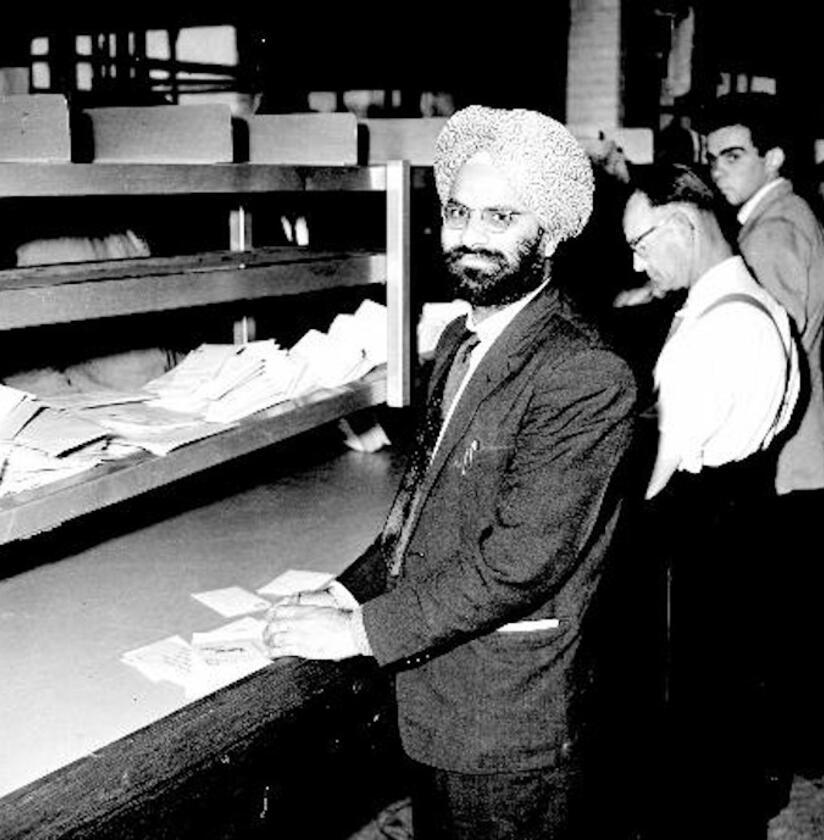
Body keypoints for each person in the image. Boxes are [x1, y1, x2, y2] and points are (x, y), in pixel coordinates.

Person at [261, 105, 641, 840]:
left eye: (501, 217)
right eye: (459, 211)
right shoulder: (464, 342)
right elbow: (421, 508)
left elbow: (519, 560)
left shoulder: (584, 373)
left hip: (508, 715)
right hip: (444, 697)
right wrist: (346, 586)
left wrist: (358, 631)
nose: (469, 236)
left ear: (554, 233)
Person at [622, 162, 800, 838]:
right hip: (742, 538)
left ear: (685, 228)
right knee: (728, 737)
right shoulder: (759, 309)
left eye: (641, 244)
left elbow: (654, 479)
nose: (637, 263)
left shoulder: (711, 334)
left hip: (695, 563)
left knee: (690, 749)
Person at [703, 92, 824, 778]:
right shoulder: (782, 216)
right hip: (807, 454)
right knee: (792, 624)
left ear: (773, 157)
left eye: (734, 154)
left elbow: (761, 359)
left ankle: (773, 770)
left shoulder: (772, 231)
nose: (719, 168)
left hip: (787, 464)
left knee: (775, 630)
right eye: (712, 155)